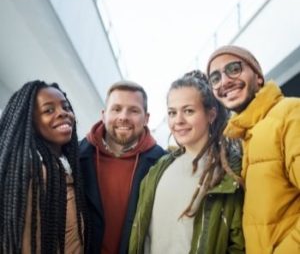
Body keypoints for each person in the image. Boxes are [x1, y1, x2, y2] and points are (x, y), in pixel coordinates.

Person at [129, 70, 245, 254]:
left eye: (188, 111)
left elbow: (239, 245)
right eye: (172, 113)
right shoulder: (157, 170)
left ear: (211, 114)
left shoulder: (230, 172)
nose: (178, 120)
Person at [206, 45, 300, 253]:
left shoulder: (290, 113)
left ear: (258, 77)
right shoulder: (246, 135)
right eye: (215, 78)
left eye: (233, 69)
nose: (225, 81)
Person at [0, 80, 88, 253]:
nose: (63, 113)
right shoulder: (32, 172)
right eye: (49, 110)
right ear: (30, 122)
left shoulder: (65, 166)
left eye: (66, 107)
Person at [79, 80, 165, 254]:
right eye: (116, 109)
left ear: (146, 118)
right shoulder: (76, 155)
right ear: (103, 115)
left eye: (133, 110)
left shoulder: (161, 162)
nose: (123, 117)